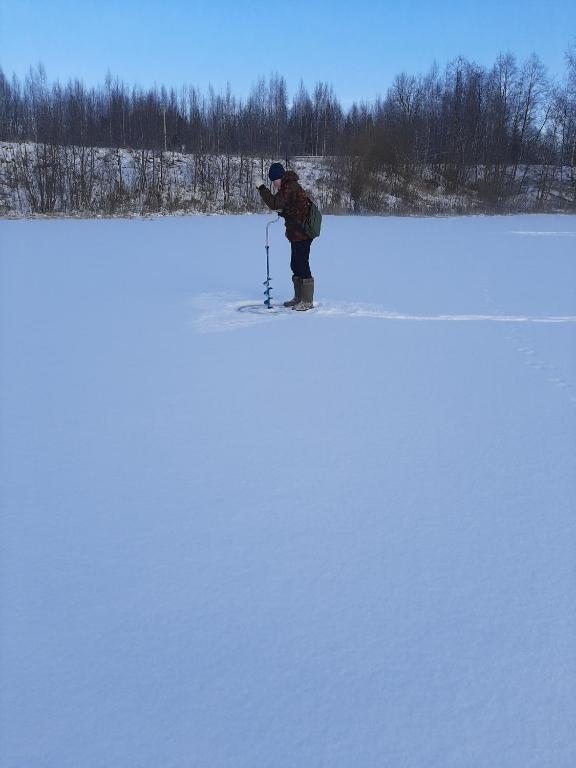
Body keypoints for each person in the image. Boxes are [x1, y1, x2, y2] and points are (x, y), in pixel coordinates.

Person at [255, 163, 314, 310]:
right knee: (295, 264)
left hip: (303, 233)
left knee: (302, 264)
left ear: (280, 177)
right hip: (296, 234)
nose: (274, 185)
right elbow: (290, 207)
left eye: (274, 181)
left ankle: (307, 301)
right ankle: (298, 298)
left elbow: (275, 203)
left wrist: (262, 188)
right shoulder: (287, 187)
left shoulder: (290, 186)